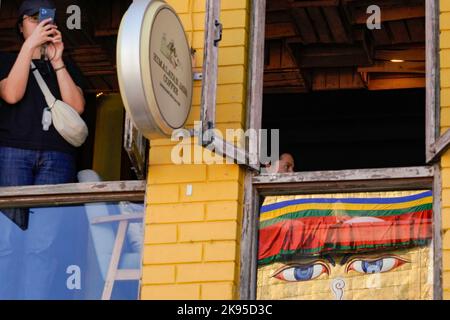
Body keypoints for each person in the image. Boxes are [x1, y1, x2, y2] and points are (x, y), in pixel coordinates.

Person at [0, 0, 85, 299]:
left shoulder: (66, 65)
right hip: (13, 152)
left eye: (46, 19)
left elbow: (77, 108)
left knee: (43, 244)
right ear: (20, 25)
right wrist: (30, 48)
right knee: (6, 240)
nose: (40, 23)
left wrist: (58, 60)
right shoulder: (6, 60)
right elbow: (11, 94)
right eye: (33, 18)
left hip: (56, 156)